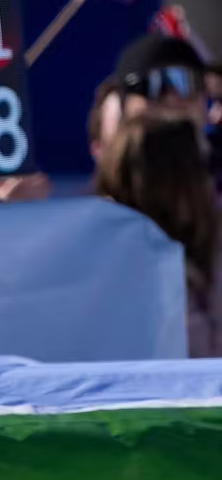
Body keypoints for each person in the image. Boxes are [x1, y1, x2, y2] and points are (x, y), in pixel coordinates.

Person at [93, 107, 222, 358]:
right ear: (171, 180)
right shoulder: (109, 268)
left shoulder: (210, 239)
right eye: (203, 166)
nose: (211, 181)